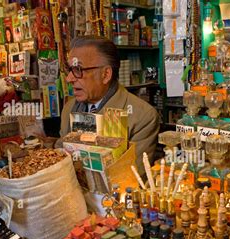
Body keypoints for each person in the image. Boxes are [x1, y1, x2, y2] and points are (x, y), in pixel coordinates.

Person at [59, 36, 159, 175]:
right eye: (69, 70)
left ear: (106, 74)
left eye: (78, 69)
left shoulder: (142, 116)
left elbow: (134, 175)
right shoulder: (69, 109)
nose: (69, 78)